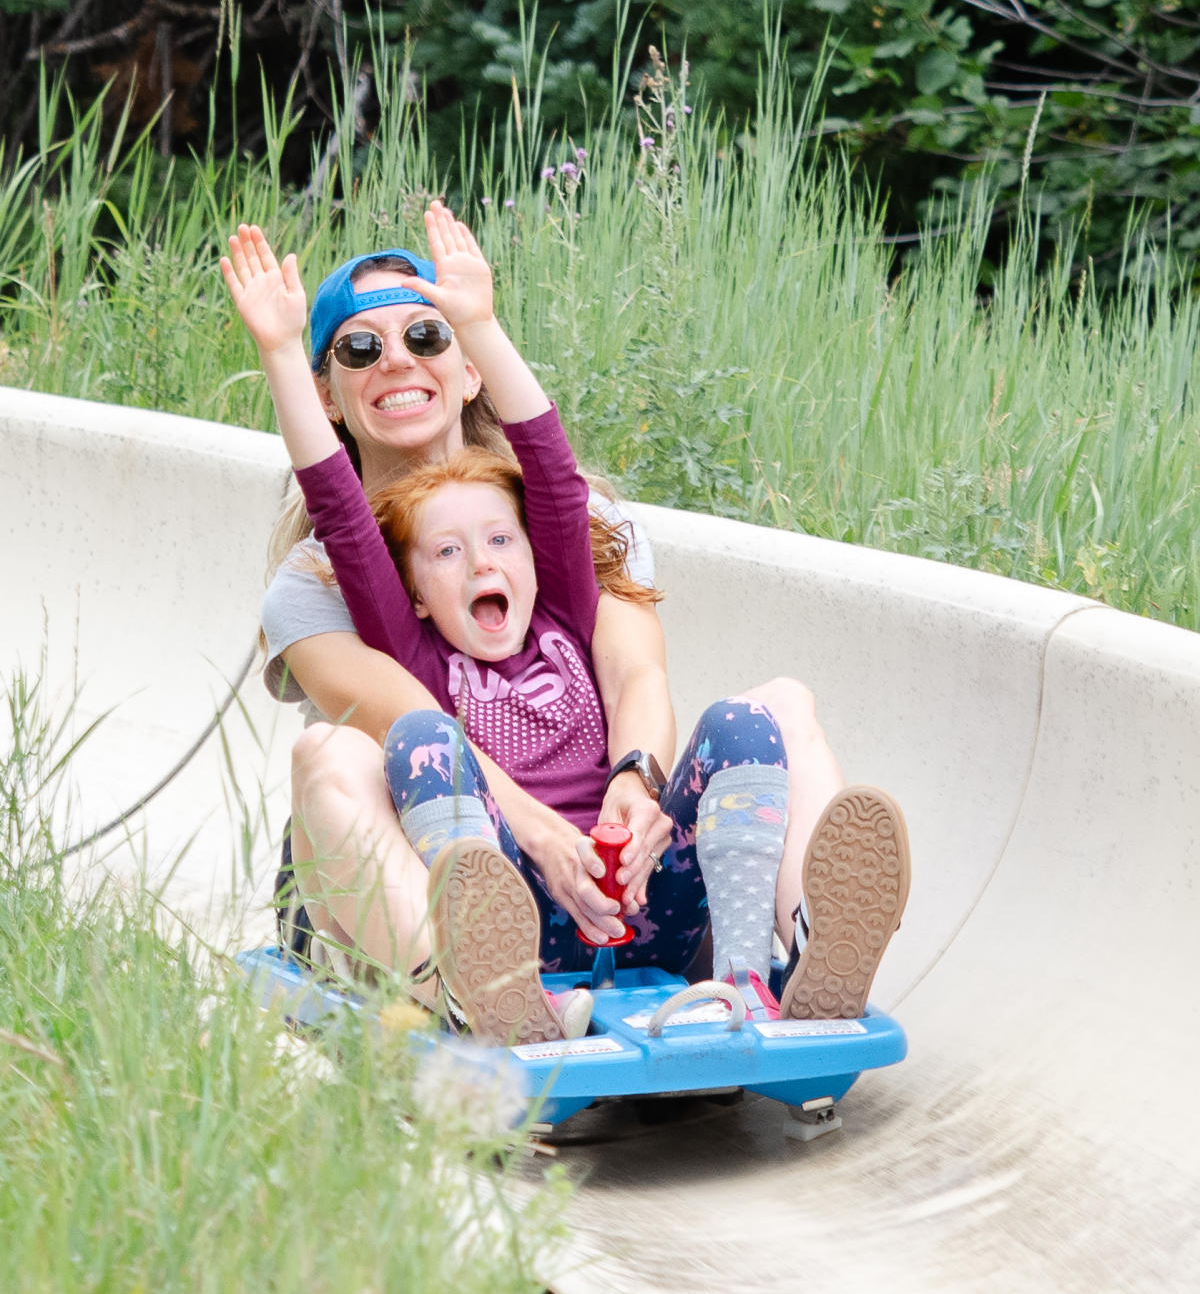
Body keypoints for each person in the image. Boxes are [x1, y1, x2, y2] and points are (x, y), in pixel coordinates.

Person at [222, 207, 911, 1042]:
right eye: (361, 349)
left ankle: (807, 958)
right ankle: (469, 981)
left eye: (428, 337)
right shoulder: (331, 582)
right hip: (443, 865)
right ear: (329, 392)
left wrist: (635, 784)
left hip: (613, 880)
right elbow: (402, 710)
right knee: (334, 750)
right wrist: (280, 353)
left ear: (470, 369)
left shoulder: (568, 538)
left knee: (778, 706)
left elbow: (631, 665)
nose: (397, 358)